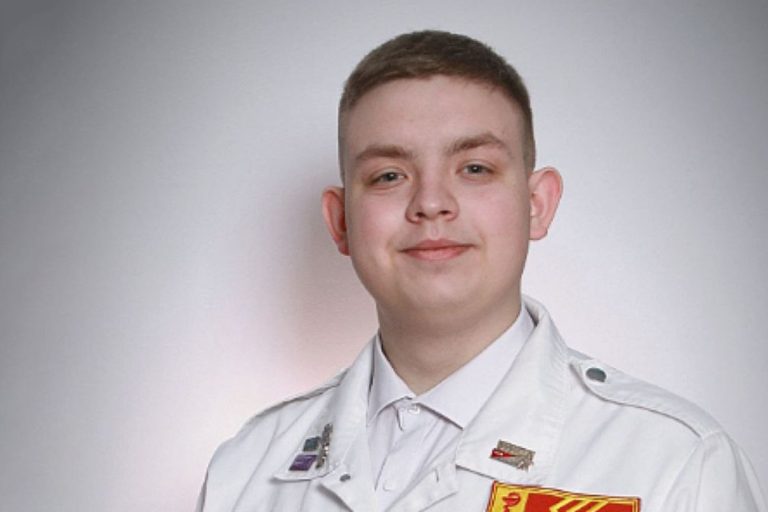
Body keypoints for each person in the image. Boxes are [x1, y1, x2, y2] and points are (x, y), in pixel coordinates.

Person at [196, 30, 766, 512]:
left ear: (536, 205)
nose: (431, 203)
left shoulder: (675, 466)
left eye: (474, 168)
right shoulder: (248, 469)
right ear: (341, 221)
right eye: (389, 175)